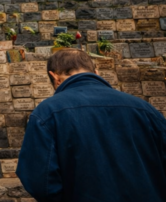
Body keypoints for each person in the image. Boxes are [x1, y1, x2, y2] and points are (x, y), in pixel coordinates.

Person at [17, 49, 166, 202]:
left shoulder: (46, 113)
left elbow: (39, 179)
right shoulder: (145, 109)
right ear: (96, 72)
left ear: (55, 77)